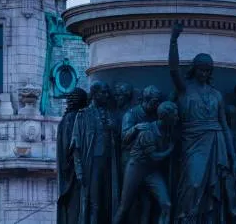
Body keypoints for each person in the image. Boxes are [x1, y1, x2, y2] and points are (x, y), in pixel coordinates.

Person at [169, 21, 236, 223]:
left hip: (216, 142)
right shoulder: (185, 89)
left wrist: (232, 154)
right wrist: (173, 40)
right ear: (194, 70)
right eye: (201, 70)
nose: (204, 73)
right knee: (193, 183)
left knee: (211, 188)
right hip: (193, 143)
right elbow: (173, 70)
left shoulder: (216, 95)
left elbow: (224, 125)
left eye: (208, 70)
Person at [114, 101, 179, 224]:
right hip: (136, 169)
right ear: (165, 117)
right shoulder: (147, 132)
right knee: (124, 208)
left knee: (166, 205)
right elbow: (154, 157)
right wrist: (170, 149)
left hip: (151, 171)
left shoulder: (168, 130)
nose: (177, 118)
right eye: (175, 116)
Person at [70, 82, 120, 224]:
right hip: (92, 163)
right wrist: (79, 170)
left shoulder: (109, 114)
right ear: (95, 94)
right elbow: (76, 145)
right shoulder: (83, 115)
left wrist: (113, 129)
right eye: (103, 92)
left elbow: (118, 139)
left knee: (108, 200)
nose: (107, 95)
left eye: (107, 93)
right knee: (94, 203)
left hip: (109, 162)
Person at [57, 88, 88, 224]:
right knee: (76, 205)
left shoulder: (66, 119)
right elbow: (71, 146)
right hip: (73, 172)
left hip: (69, 170)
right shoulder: (74, 118)